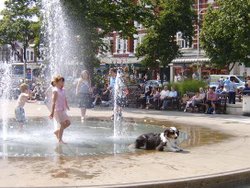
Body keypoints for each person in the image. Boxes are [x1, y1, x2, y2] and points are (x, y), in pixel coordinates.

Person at [49, 76, 71, 144]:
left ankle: (57, 132)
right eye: (61, 81)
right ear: (57, 82)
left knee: (68, 123)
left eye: (63, 81)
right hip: (57, 110)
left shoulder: (63, 90)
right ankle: (60, 140)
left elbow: (64, 98)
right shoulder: (55, 91)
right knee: (62, 124)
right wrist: (52, 113)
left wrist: (67, 105)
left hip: (62, 109)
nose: (62, 83)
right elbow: (53, 102)